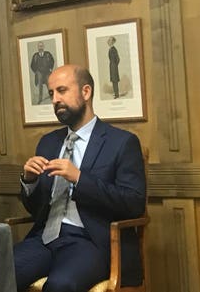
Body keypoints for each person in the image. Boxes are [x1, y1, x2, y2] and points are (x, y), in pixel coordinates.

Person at [13, 65, 146, 292]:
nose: (55, 99)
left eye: (62, 90)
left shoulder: (121, 143)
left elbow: (133, 204)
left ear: (86, 92)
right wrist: (30, 181)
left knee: (60, 285)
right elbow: (36, 211)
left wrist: (80, 179)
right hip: (45, 238)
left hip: (91, 241)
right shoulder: (48, 143)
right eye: (51, 93)